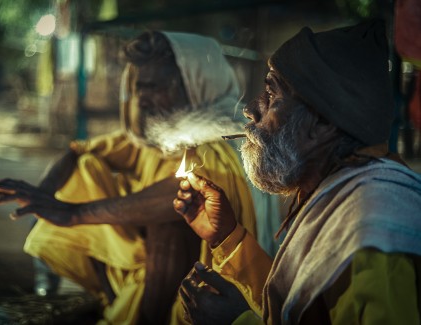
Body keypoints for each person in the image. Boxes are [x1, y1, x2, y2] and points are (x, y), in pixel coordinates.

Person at [0, 31, 257, 325]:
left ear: (195, 85)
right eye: (138, 88)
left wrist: (74, 213)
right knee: (88, 167)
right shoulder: (155, 136)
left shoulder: (225, 139)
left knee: (167, 225)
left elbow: (182, 193)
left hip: (207, 297)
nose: (141, 99)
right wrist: (43, 196)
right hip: (139, 273)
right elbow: (78, 151)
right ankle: (114, 303)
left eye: (153, 87)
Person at [173, 19, 421, 324]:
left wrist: (237, 322)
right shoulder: (339, 191)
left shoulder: (373, 232)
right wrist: (228, 237)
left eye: (273, 96)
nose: (251, 109)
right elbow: (297, 307)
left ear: (323, 125)